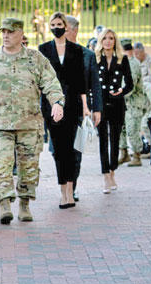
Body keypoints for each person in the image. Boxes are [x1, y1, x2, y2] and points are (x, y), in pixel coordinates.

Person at [0, 18, 63, 223]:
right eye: (3, 31)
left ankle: (24, 204)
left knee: (29, 167)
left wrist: (57, 102)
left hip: (29, 123)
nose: (6, 35)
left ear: (21, 34)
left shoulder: (35, 59)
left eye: (11, 32)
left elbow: (51, 83)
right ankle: (4, 204)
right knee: (1, 166)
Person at [39, 12, 88, 208]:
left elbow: (81, 81)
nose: (56, 27)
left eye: (59, 24)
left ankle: (70, 190)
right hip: (51, 106)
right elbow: (40, 79)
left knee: (71, 149)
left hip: (73, 105)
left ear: (66, 26)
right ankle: (63, 192)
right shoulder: (43, 49)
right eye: (53, 24)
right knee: (59, 150)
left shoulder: (76, 50)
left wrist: (85, 107)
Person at [65, 15, 101, 202]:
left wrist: (97, 109)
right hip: (57, 112)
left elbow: (95, 84)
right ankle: (64, 187)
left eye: (64, 28)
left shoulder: (87, 55)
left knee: (76, 152)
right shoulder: (50, 53)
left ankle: (72, 188)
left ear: (74, 30)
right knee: (59, 152)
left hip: (80, 111)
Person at [95, 29, 133, 193]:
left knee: (115, 140)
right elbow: (89, 83)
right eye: (105, 38)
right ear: (101, 41)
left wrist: (121, 91)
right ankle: (106, 176)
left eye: (111, 38)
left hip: (117, 104)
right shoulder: (95, 59)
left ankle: (112, 171)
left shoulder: (122, 59)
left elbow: (130, 84)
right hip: (100, 105)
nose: (108, 41)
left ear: (115, 41)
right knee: (103, 140)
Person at [120, 39, 151, 167]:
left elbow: (130, 85)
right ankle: (124, 153)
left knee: (132, 129)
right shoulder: (123, 62)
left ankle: (137, 155)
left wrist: (117, 94)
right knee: (122, 128)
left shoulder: (132, 64)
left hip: (134, 102)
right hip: (124, 101)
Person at [134, 41, 151, 150]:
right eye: (135, 54)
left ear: (143, 51)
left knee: (146, 123)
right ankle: (149, 146)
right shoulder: (136, 63)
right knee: (141, 124)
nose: (136, 56)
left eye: (138, 53)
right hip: (143, 100)